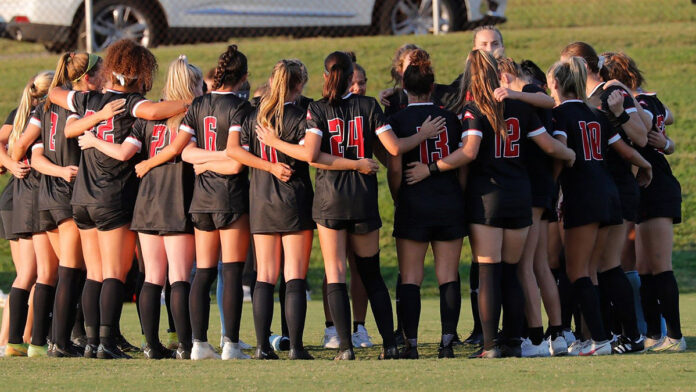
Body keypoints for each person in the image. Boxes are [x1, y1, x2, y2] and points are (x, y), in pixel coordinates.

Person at [256, 51, 446, 360]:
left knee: (336, 273)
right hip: (362, 198)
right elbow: (395, 147)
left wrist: (275, 143)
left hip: (330, 200)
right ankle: (390, 344)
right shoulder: (369, 105)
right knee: (371, 273)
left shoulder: (317, 109)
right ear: (349, 79)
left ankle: (345, 348)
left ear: (326, 77)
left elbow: (314, 156)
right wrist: (422, 134)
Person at [403, 50, 575, 359]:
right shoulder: (520, 107)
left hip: (488, 199)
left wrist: (432, 168)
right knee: (511, 272)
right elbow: (549, 144)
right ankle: (513, 341)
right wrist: (570, 155)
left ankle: (490, 346)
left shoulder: (473, 110)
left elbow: (469, 153)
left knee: (489, 272)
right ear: (498, 74)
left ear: (472, 77)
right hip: (520, 196)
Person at [47, 38, 189, 359]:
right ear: (139, 72)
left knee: (94, 274)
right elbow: (154, 109)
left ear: (112, 68)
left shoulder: (90, 99)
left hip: (82, 197)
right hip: (113, 196)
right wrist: (189, 104)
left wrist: (92, 114)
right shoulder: (131, 103)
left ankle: (94, 342)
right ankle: (106, 344)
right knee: (114, 272)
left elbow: (54, 92)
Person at [77, 55, 204, 359]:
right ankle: (186, 345)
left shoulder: (146, 118)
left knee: (152, 278)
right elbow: (183, 152)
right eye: (198, 84)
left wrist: (94, 141)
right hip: (176, 200)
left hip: (145, 204)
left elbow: (123, 151)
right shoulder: (190, 116)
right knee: (179, 277)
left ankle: (152, 345)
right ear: (190, 86)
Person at [547, 56, 652, 356]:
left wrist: (550, 192)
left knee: (578, 271)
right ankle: (621, 337)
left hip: (583, 193)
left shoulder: (561, 117)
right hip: (610, 193)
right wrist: (646, 166)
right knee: (603, 268)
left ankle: (600, 339)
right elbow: (624, 149)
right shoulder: (596, 113)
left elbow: (562, 154)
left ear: (555, 83)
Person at [227, 59, 315, 360]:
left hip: (261, 201)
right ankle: (297, 347)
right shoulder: (300, 114)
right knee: (294, 276)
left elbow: (233, 150)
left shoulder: (252, 113)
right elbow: (307, 153)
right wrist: (276, 165)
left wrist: (266, 166)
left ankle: (263, 347)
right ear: (299, 84)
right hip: (294, 200)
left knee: (264, 275)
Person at [601, 52, 685, 351]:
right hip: (644, 187)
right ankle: (652, 334)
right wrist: (668, 142)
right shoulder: (642, 99)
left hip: (658, 185)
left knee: (660, 266)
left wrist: (632, 104)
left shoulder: (639, 102)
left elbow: (650, 121)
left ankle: (675, 336)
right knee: (646, 268)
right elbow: (668, 118)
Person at [387, 49, 466, 359]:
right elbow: (462, 166)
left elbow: (395, 168)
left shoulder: (398, 119)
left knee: (410, 276)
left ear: (404, 88)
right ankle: (447, 344)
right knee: (448, 274)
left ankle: (412, 344)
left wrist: (398, 195)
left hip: (413, 203)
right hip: (448, 202)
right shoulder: (451, 118)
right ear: (433, 87)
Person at [178, 45, 252, 360]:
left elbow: (187, 153)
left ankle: (198, 345)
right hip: (230, 197)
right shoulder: (241, 107)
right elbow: (236, 164)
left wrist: (206, 161)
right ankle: (231, 345)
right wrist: (222, 157)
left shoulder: (198, 104)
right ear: (244, 77)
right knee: (232, 271)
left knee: (204, 272)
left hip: (202, 198)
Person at [495, 56, 566, 357]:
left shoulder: (528, 96)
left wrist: (512, 93)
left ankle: (536, 338)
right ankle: (557, 334)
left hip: (533, 187)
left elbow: (547, 101)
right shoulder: (529, 98)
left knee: (526, 264)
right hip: (540, 185)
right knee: (539, 264)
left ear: (506, 76)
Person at [321, 52, 374, 350]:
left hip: (361, 196)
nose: (357, 88)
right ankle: (333, 328)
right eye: (353, 82)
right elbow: (313, 155)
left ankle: (359, 327)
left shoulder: (369, 109)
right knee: (334, 266)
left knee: (360, 267)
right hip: (332, 195)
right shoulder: (321, 109)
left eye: (362, 83)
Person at [0, 73, 50, 357]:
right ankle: (19, 341)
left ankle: (14, 340)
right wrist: (11, 162)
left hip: (17, 197)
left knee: (26, 274)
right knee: (31, 274)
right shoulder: (33, 115)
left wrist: (8, 162)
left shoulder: (23, 113)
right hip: (23, 198)